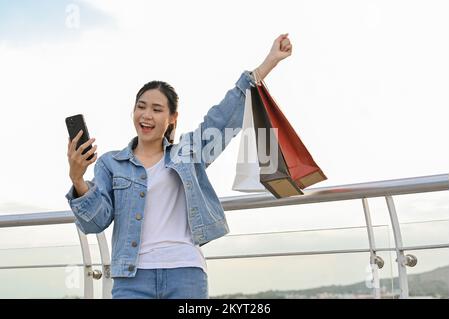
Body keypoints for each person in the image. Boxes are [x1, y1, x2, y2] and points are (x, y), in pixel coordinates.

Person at [66, 34, 293, 299]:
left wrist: (269, 63)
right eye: (141, 107)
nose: (147, 115)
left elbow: (224, 117)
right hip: (131, 278)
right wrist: (78, 179)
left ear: (172, 118)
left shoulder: (189, 153)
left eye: (157, 109)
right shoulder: (111, 163)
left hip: (185, 272)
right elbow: (96, 222)